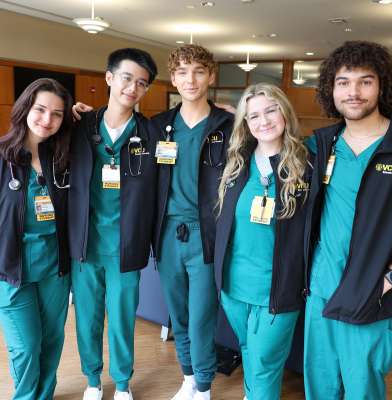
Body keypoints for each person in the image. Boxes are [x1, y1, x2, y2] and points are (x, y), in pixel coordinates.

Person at [303, 40, 392, 399]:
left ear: (382, 86)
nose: (353, 92)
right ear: (331, 89)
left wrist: (391, 278)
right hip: (320, 291)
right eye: (343, 82)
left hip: (375, 294)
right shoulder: (322, 144)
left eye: (365, 81)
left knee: (362, 390)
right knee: (321, 388)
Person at [68, 48, 158, 400]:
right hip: (86, 243)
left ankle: (122, 383)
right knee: (87, 317)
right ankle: (92, 380)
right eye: (126, 78)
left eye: (141, 83)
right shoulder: (80, 126)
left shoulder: (151, 133)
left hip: (126, 245)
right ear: (109, 78)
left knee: (122, 320)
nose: (132, 88)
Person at [214, 83, 311, 400]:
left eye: (271, 110)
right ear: (245, 122)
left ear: (284, 111)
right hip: (234, 287)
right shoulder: (236, 163)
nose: (264, 120)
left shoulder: (306, 164)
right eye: (253, 115)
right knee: (248, 352)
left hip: (278, 290)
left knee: (265, 364)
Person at [150, 44, 234, 400]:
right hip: (168, 233)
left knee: (201, 315)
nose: (191, 79)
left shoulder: (230, 125)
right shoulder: (158, 126)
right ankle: (188, 376)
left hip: (206, 234)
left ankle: (204, 384)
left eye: (199, 71)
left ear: (211, 76)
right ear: (174, 77)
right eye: (182, 72)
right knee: (179, 313)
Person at [0, 78, 73, 400]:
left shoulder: (63, 158)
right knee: (26, 347)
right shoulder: (3, 157)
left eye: (57, 114)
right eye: (40, 109)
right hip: (11, 271)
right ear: (25, 107)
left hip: (54, 270)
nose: (47, 120)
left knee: (51, 341)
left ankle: (43, 396)